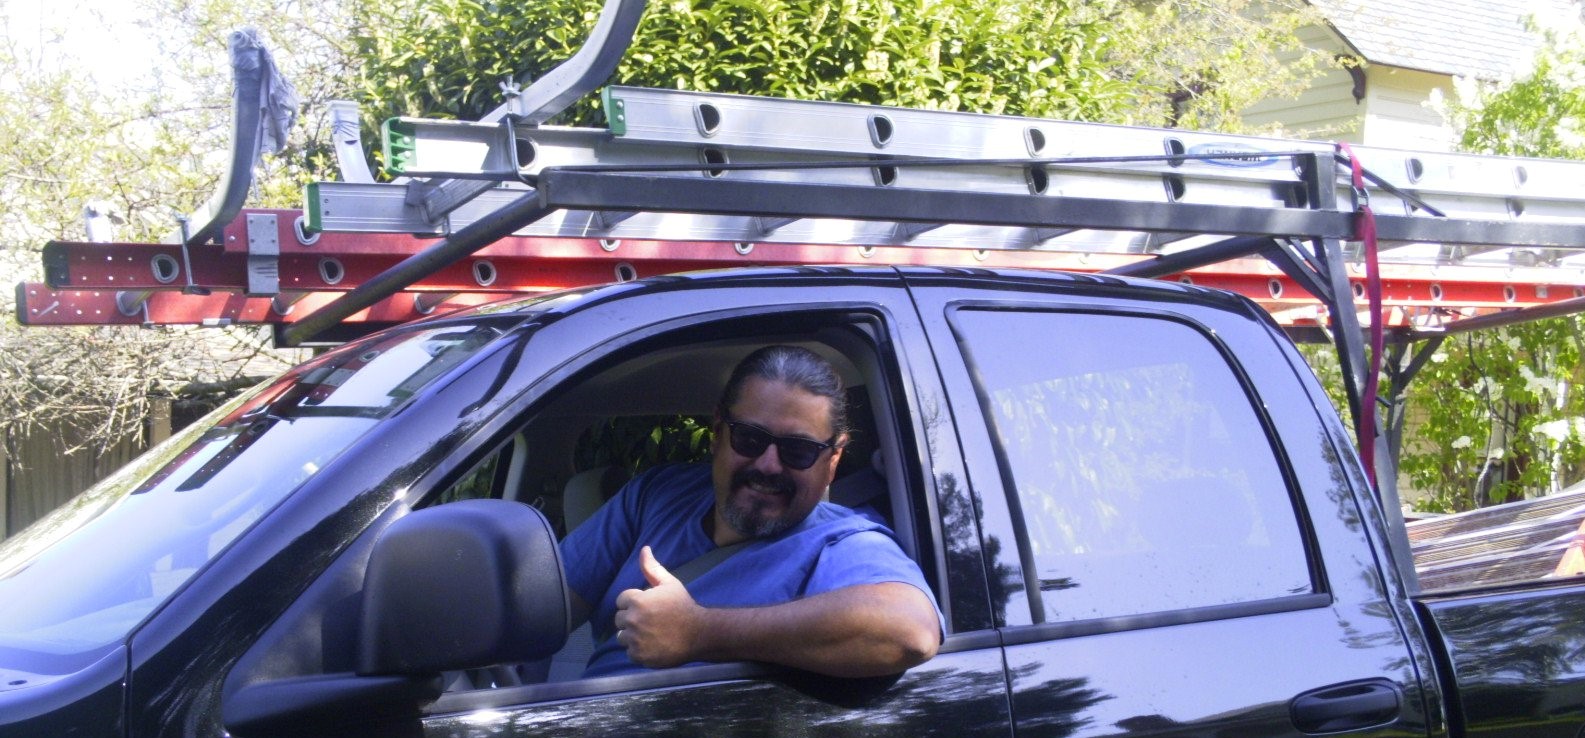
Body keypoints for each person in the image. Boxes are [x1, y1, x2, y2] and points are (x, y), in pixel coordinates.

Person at [559, 345, 943, 678]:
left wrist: (700, 632)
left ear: (833, 459)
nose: (769, 465)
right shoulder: (658, 493)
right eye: (750, 438)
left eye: (798, 450)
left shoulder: (842, 542)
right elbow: (547, 604)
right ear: (718, 432)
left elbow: (912, 631)